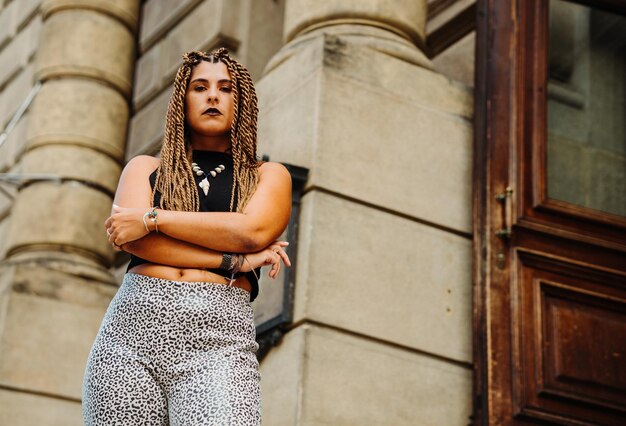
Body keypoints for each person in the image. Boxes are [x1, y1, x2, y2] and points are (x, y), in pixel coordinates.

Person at [82, 48, 292, 425]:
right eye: (200, 87)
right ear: (183, 100)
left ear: (241, 102)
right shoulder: (145, 168)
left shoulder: (268, 176)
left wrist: (154, 217)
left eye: (226, 88)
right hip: (130, 335)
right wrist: (229, 261)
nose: (213, 96)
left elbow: (250, 231)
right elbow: (133, 240)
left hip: (219, 341)